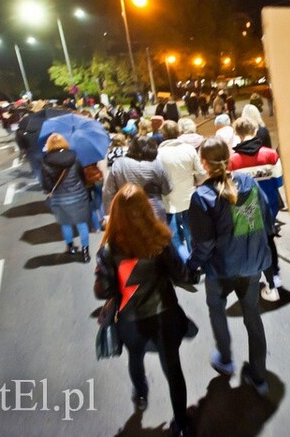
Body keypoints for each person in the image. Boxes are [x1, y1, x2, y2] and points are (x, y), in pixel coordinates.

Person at [93, 183, 197, 437]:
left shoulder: (108, 250)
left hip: (130, 320)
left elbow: (103, 292)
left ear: (115, 213)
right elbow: (181, 273)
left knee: (135, 359)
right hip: (165, 315)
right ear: (146, 210)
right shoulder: (160, 241)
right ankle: (181, 424)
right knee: (173, 368)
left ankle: (140, 395)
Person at [187, 137, 274, 397]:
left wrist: (191, 267)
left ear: (203, 163)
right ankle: (259, 376)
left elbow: (204, 244)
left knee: (217, 310)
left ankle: (225, 358)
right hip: (251, 265)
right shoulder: (248, 184)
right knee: (253, 317)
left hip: (220, 269)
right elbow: (267, 217)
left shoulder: (202, 196)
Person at [229, 117, 283, 301]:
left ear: (237, 133)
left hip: (246, 208)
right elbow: (279, 181)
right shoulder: (270, 155)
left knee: (251, 240)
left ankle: (254, 273)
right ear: (255, 130)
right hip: (270, 204)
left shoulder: (233, 160)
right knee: (269, 238)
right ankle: (274, 274)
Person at [158, 120, 206, 259]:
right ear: (178, 133)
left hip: (168, 200)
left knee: (173, 235)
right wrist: (195, 182)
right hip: (189, 196)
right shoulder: (189, 149)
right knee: (190, 231)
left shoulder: (158, 154)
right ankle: (195, 259)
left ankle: (184, 262)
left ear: (163, 135)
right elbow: (201, 174)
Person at [41, 133, 92, 263]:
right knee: (82, 223)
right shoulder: (74, 157)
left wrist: (49, 191)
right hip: (78, 195)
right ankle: (85, 253)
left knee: (66, 224)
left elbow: (46, 184)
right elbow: (82, 176)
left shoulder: (46, 161)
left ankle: (70, 248)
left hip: (60, 198)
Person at [102, 135, 172, 221]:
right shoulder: (157, 164)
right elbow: (167, 189)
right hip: (153, 212)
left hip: (126, 212)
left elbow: (108, 192)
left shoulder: (119, 164)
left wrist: (108, 215)